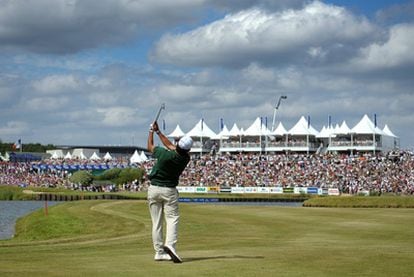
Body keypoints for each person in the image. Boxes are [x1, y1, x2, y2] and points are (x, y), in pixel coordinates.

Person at [147, 121, 193, 263]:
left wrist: (151, 132)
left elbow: (150, 147)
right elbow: (171, 146)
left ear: (178, 144)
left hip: (154, 189)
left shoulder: (163, 153)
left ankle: (159, 252)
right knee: (172, 218)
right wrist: (159, 132)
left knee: (157, 222)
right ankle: (170, 245)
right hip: (169, 191)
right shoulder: (185, 158)